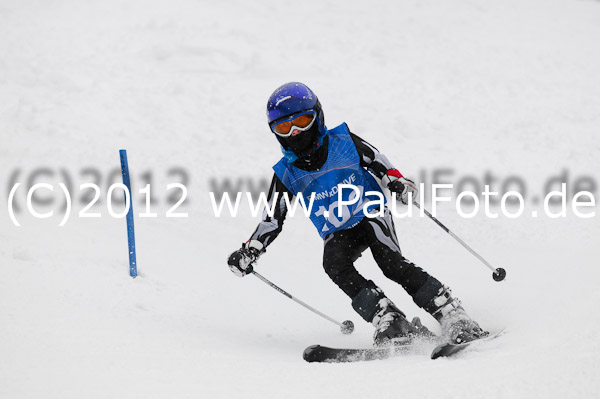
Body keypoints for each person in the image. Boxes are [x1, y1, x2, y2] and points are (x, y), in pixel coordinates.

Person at [227, 82, 487, 346]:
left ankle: (451, 313)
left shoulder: (344, 142)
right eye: (284, 127)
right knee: (334, 264)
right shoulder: (286, 173)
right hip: (337, 227)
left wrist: (396, 182)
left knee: (389, 262)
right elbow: (273, 218)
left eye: (303, 121)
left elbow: (380, 162)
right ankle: (389, 318)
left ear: (318, 116)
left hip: (370, 210)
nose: (295, 132)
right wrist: (251, 250)